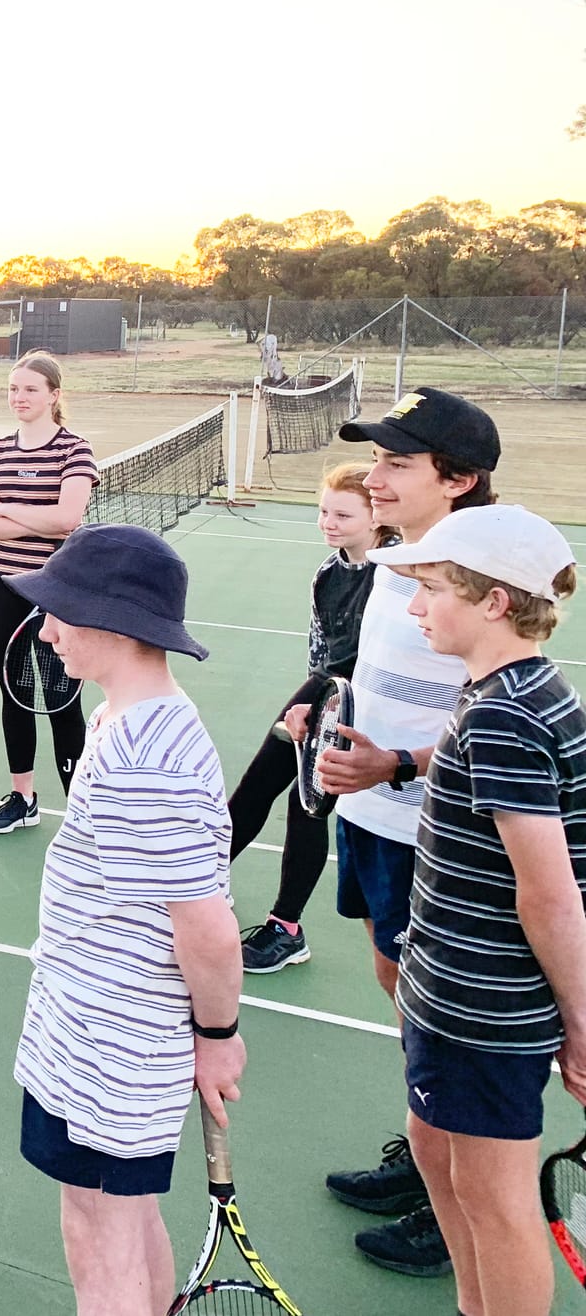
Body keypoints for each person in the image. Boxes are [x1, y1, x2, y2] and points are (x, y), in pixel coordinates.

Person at [7, 524, 244, 1316]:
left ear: (112, 621)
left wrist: (217, 1037)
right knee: (125, 1216)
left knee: (97, 1230)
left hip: (113, 1036)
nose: (46, 630)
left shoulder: (144, 760)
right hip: (92, 1015)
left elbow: (207, 928)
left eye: (60, 611)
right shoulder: (129, 718)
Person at [364, 505, 584, 1316]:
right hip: (453, 994)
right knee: (436, 1154)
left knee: (496, 1200)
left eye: (434, 590)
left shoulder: (501, 719)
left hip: (482, 1009)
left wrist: (581, 1023)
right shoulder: (513, 692)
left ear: (495, 602)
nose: (416, 607)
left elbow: (549, 890)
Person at [314, 387, 502, 1278]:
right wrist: (325, 711)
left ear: (458, 479)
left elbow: (496, 714)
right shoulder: (396, 559)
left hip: (434, 835)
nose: (376, 478)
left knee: (441, 1024)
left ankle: (452, 1200)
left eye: (397, 463)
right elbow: (377, 670)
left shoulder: (481, 574)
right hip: (371, 818)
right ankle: (426, 1157)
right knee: (398, 990)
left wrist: (396, 765)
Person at [231, 462, 395, 973]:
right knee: (257, 785)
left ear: (376, 517)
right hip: (324, 692)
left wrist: (338, 713)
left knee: (308, 805)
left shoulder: (396, 573)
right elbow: (320, 648)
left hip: (365, 704)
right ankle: (198, 887)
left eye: (343, 515)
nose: (329, 522)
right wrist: (312, 706)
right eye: (324, 512)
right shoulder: (327, 573)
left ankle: (286, 928)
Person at [0, 351, 98, 835]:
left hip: (54, 592)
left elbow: (68, 519)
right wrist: (33, 520)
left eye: (30, 389)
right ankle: (23, 799)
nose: (19, 397)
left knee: (62, 699)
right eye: (14, 389)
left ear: (54, 396)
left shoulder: (74, 450)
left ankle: (84, 813)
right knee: (14, 695)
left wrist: (5, 508)